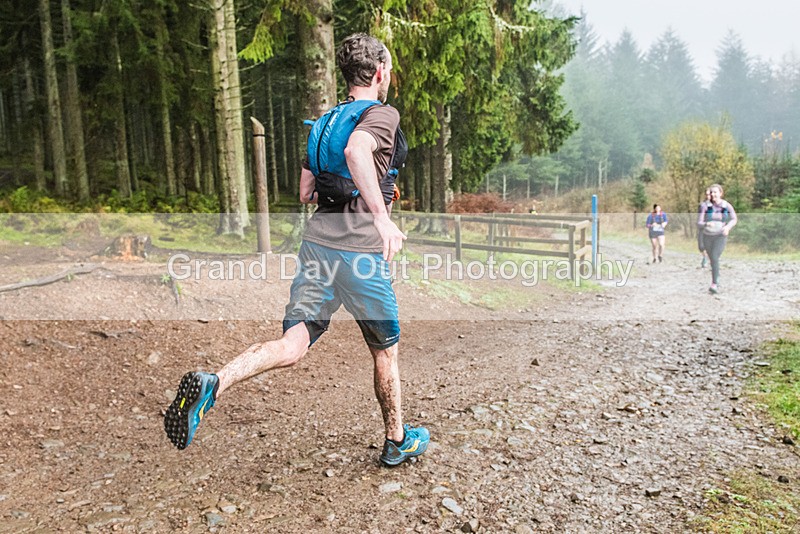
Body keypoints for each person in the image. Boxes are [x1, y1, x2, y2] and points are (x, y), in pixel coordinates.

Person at [163, 33, 430, 467]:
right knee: (386, 348)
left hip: (318, 244)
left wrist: (347, 186)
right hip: (360, 249)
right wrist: (380, 215)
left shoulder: (323, 122)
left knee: (293, 342)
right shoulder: (382, 114)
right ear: (380, 71)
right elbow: (357, 150)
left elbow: (306, 191)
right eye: (389, 69)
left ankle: (215, 382)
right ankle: (397, 439)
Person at [698, 184, 737, 294]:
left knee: (715, 257)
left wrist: (728, 227)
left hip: (720, 235)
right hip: (707, 236)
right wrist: (706, 224)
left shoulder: (726, 206)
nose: (713, 194)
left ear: (721, 193)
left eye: (715, 192)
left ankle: (714, 283)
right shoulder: (705, 206)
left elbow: (734, 219)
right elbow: (699, 223)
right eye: (711, 192)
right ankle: (716, 277)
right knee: (712, 259)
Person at [697, 189, 711, 268]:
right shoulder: (702, 205)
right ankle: (705, 257)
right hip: (703, 227)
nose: (708, 196)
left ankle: (708, 259)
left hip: (713, 228)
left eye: (709, 194)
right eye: (707, 194)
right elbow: (699, 217)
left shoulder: (718, 205)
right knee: (701, 246)